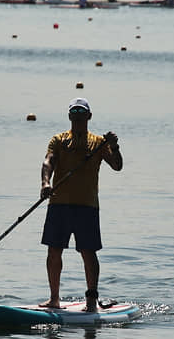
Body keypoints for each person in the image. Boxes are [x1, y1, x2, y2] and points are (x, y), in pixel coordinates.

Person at [39, 98, 123, 312]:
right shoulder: (58, 140)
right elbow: (48, 161)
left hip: (87, 207)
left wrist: (114, 146)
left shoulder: (98, 143)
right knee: (54, 251)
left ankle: (91, 301)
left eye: (81, 112)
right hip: (59, 204)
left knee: (88, 252)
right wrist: (45, 183)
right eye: (74, 112)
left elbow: (117, 166)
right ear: (69, 116)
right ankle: (54, 299)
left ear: (89, 116)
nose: (77, 115)